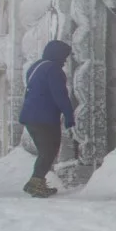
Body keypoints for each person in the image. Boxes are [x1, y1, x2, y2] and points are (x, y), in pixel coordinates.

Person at [18, 41, 75, 198]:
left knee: (46, 151)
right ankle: (35, 183)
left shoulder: (37, 66)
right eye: (64, 56)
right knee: (49, 151)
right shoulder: (53, 69)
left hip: (31, 116)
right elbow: (60, 95)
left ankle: (37, 182)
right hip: (44, 117)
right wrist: (69, 115)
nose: (64, 60)